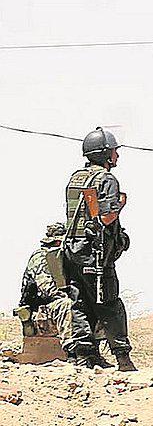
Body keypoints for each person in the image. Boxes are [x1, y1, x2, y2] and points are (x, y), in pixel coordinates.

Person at [61, 127, 135, 371]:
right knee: (109, 304)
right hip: (95, 252)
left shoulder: (76, 178)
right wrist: (121, 206)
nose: (117, 156)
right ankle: (123, 359)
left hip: (72, 250)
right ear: (105, 154)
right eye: (114, 151)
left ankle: (86, 356)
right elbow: (105, 217)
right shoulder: (106, 179)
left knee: (80, 303)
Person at [17, 224, 73, 344]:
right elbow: (47, 288)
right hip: (42, 312)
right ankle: (73, 351)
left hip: (54, 309)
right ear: (58, 243)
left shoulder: (66, 258)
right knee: (68, 304)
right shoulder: (41, 257)